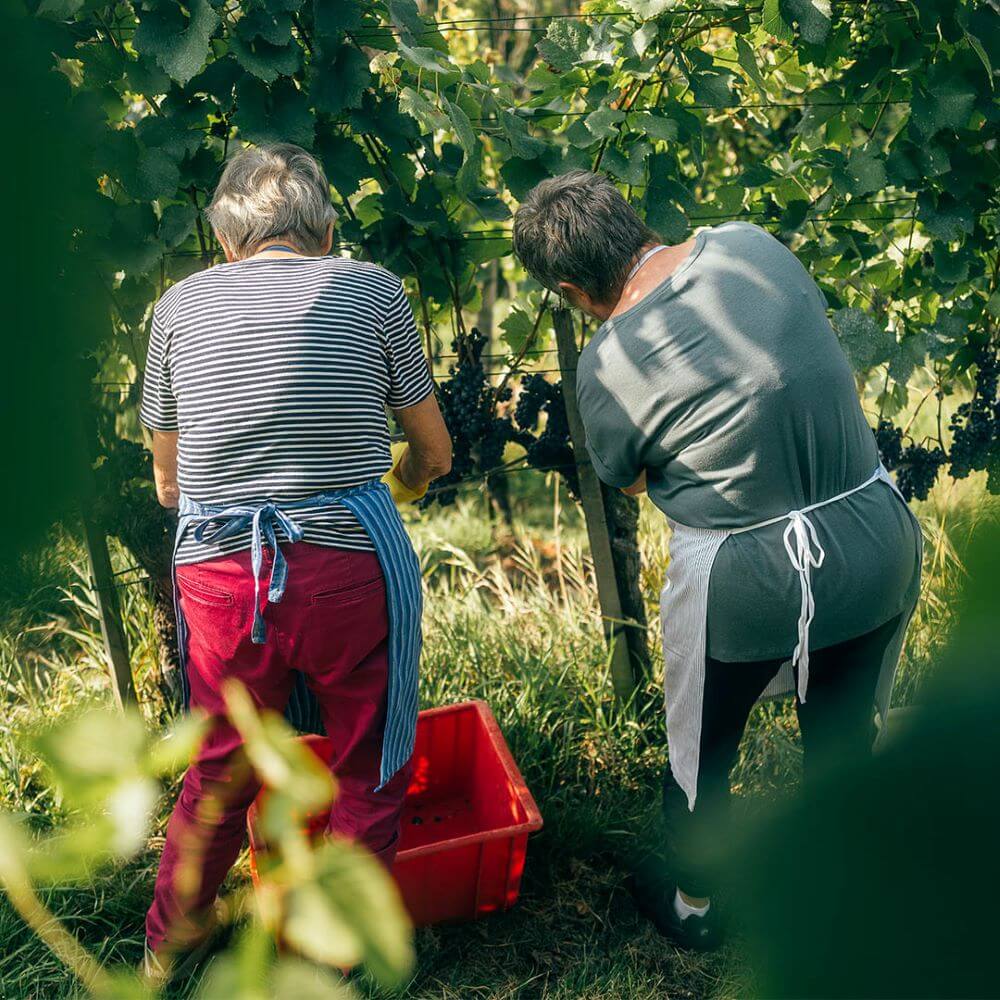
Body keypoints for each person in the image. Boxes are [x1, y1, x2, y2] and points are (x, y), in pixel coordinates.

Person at [512, 171, 922, 950]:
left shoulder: (604, 365)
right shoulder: (750, 245)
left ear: (568, 287)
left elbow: (629, 479)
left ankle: (698, 908)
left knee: (703, 752)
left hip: (750, 578)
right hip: (875, 535)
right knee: (839, 739)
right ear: (633, 217)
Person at [139, 143, 452, 976]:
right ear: (324, 226)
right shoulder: (372, 289)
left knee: (219, 763)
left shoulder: (175, 307)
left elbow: (170, 484)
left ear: (228, 236)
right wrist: (405, 482)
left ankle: (173, 941)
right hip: (348, 564)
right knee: (369, 760)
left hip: (216, 571)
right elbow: (433, 449)